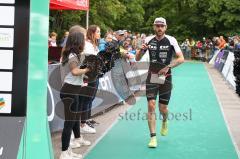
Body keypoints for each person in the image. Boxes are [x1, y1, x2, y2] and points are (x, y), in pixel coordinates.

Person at [135, 17, 184, 148]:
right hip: (152, 76)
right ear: (154, 27)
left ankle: (165, 120)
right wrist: (141, 50)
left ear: (165, 27)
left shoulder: (171, 40)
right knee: (151, 105)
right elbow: (137, 58)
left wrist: (168, 66)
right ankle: (153, 137)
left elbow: (181, 58)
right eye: (157, 26)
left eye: (162, 26)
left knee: (163, 108)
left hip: (166, 77)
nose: (159, 28)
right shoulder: (147, 40)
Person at [59, 31, 90, 159]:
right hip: (69, 92)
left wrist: (87, 72)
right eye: (82, 39)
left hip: (73, 91)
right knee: (69, 122)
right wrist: (88, 69)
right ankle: (64, 153)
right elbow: (75, 71)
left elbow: (79, 73)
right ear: (78, 41)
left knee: (73, 120)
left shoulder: (74, 54)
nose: (84, 42)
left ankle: (69, 150)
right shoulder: (72, 55)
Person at [80, 25, 101, 133]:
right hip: (88, 76)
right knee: (86, 99)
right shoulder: (87, 45)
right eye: (98, 32)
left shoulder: (94, 44)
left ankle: (86, 120)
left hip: (94, 75)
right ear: (92, 33)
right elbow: (90, 61)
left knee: (90, 99)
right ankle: (82, 124)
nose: (99, 34)